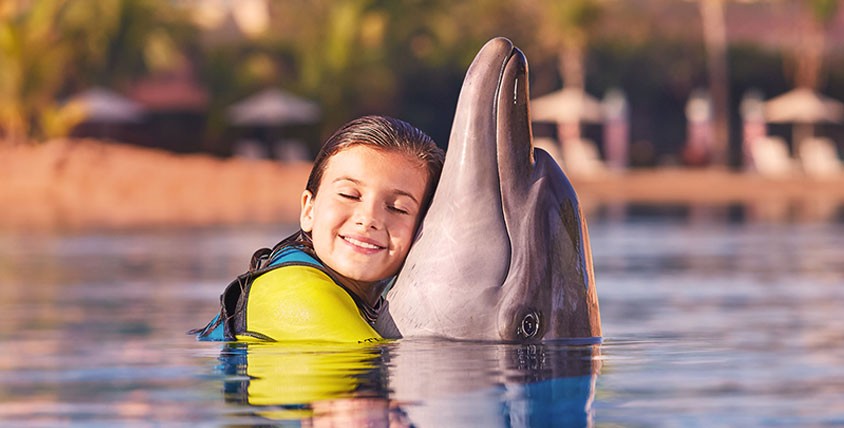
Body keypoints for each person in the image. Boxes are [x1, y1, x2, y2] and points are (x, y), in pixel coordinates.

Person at [191, 115, 444, 343]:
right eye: (349, 195)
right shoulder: (293, 291)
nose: (368, 219)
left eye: (398, 208)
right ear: (308, 211)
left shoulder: (366, 301)